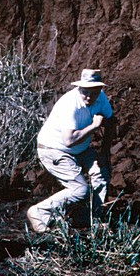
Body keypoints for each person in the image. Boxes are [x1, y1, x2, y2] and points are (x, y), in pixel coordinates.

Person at [27, 68, 115, 233]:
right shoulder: (70, 104)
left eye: (93, 92)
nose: (89, 97)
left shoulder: (101, 98)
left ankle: (90, 217)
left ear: (100, 90)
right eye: (85, 92)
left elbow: (111, 122)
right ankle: (39, 212)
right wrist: (94, 126)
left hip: (80, 149)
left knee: (101, 171)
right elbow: (69, 141)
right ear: (79, 88)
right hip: (54, 149)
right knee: (80, 189)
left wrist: (104, 153)